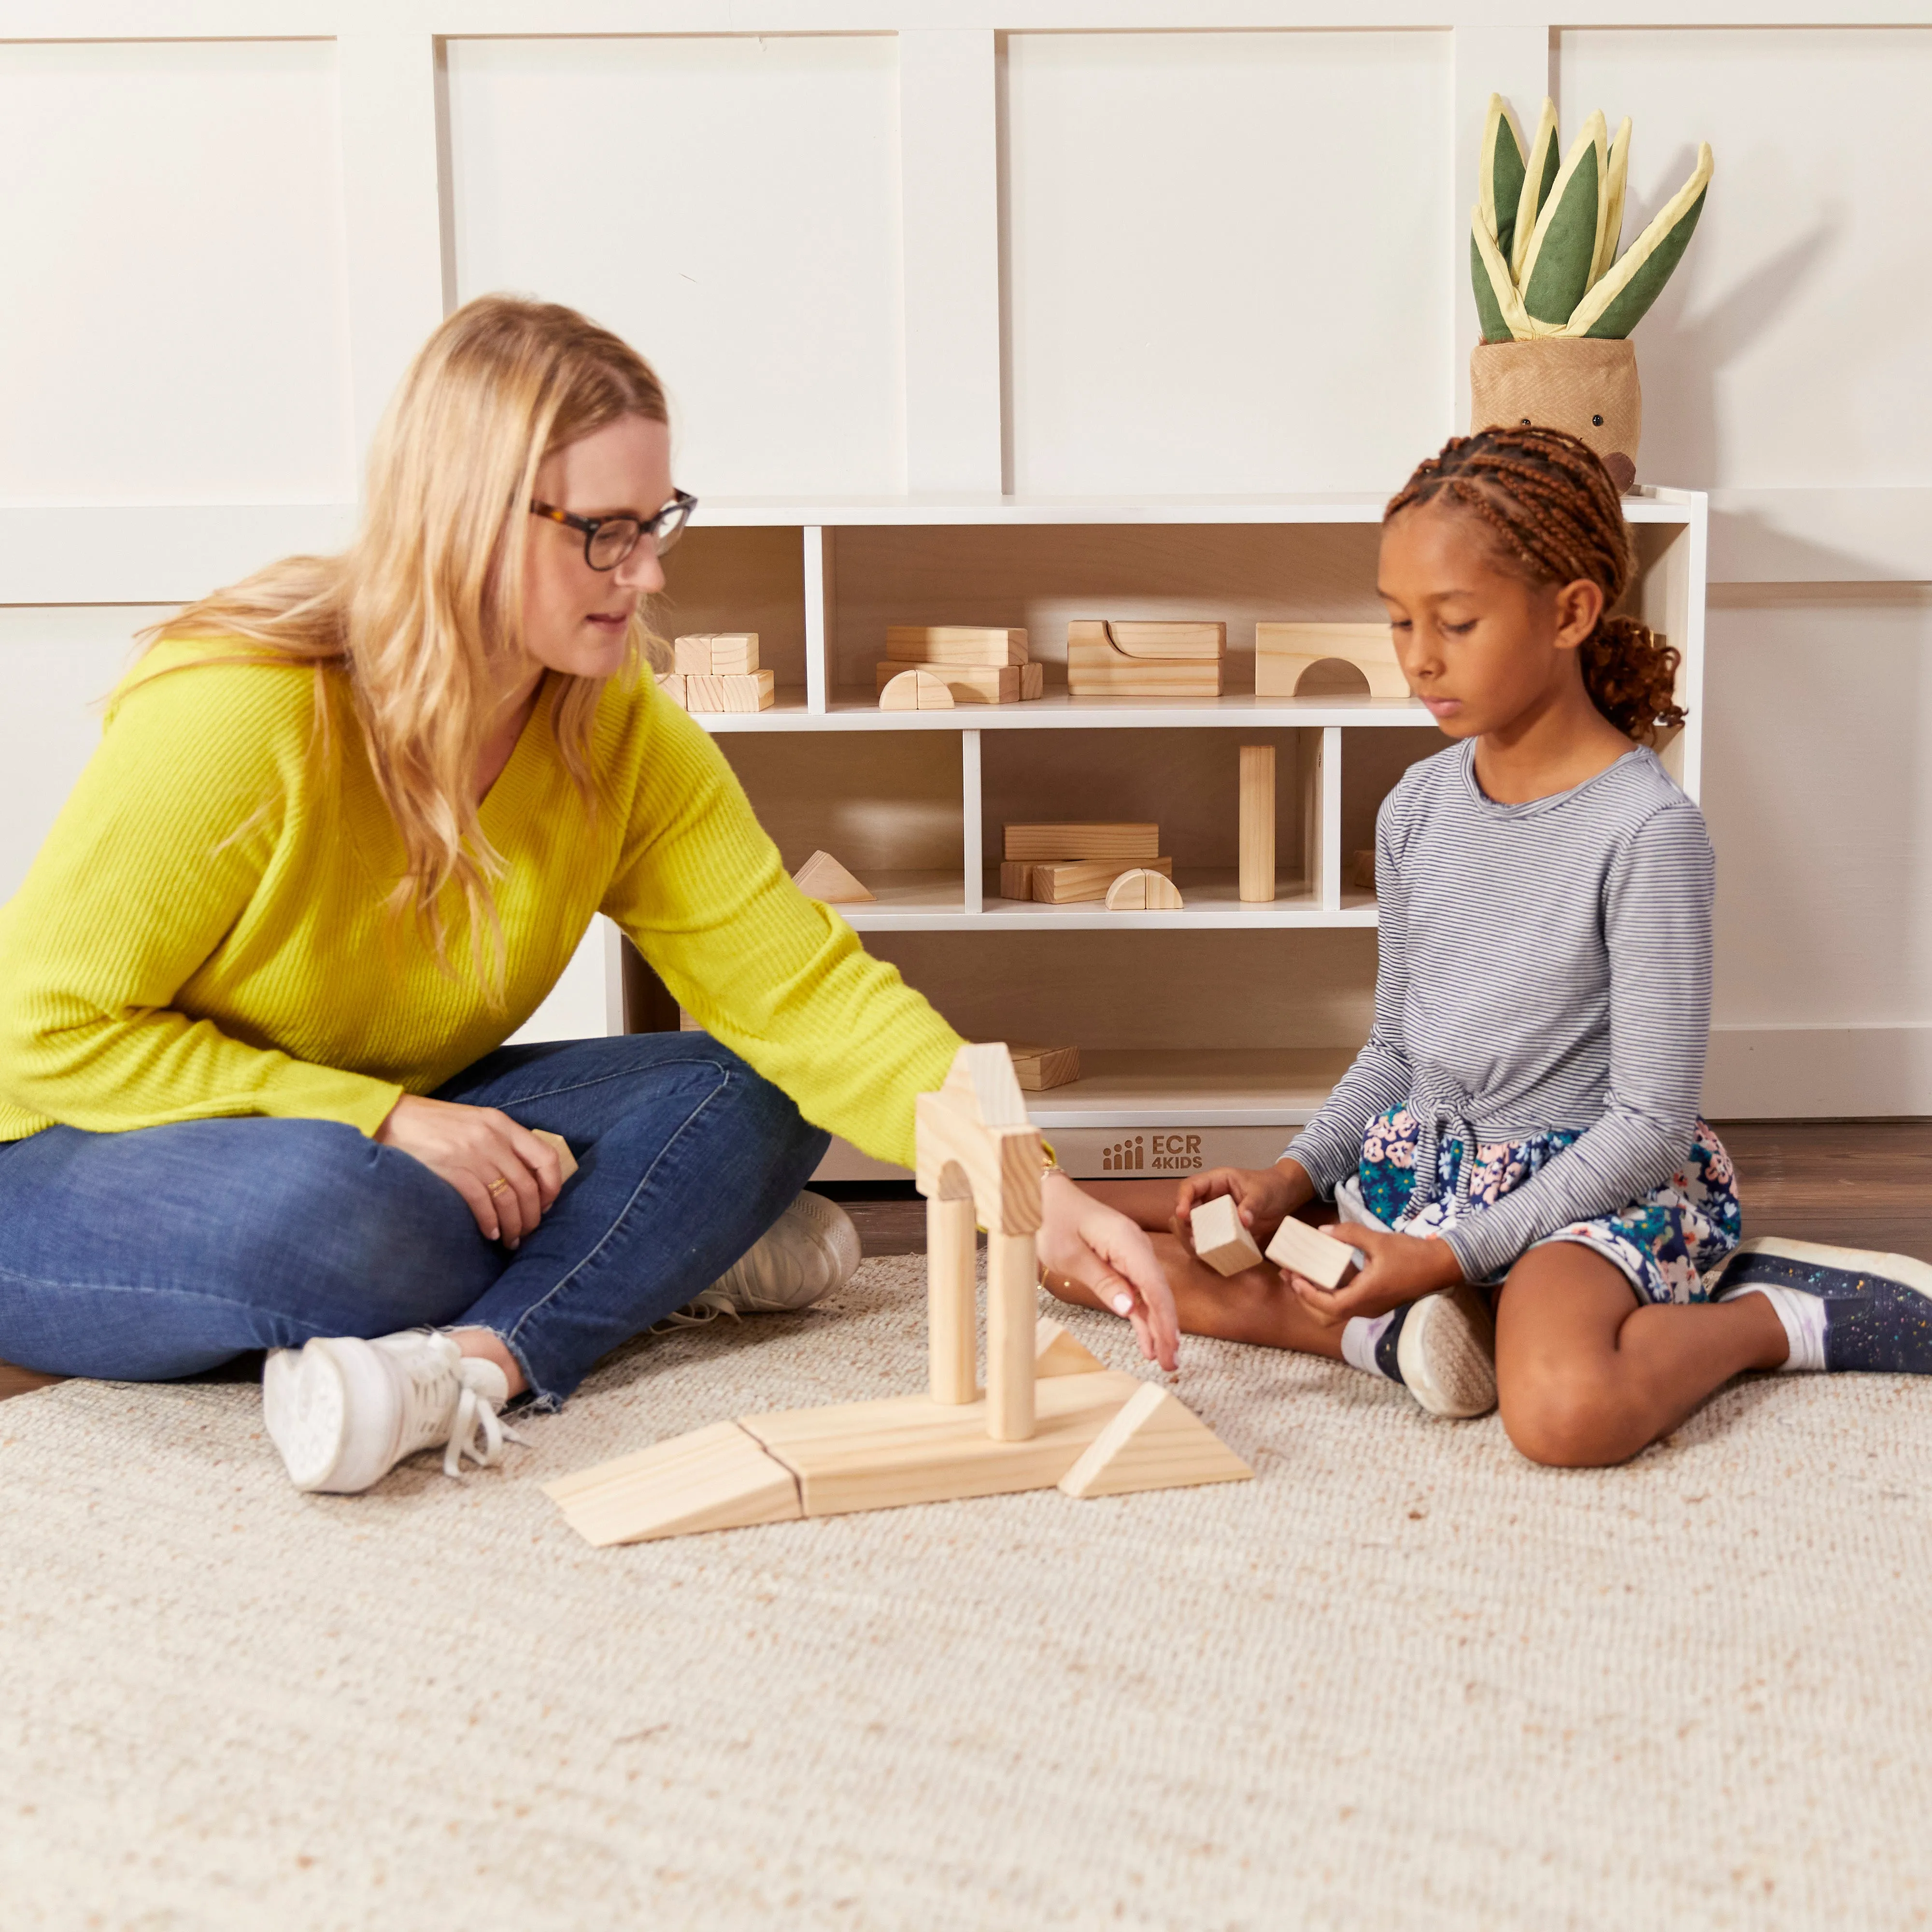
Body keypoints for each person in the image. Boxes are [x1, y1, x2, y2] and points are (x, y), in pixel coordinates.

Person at [0, 295, 1177, 1495]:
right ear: (468, 522)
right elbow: (41, 1033)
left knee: (762, 1086)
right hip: (68, 1148)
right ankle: (643, 1250)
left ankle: (482, 1359)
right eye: (605, 532)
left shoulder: (616, 730)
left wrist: (1036, 1195)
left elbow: (802, 993)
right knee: (335, 1214)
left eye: (657, 520)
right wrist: (384, 1118)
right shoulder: (244, 707)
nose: (649, 569)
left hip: (387, 1122)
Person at [1050, 425, 1932, 1468]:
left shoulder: (1646, 831)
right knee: (1077, 1254)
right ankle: (1418, 1327)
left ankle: (1767, 1314)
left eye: (1454, 622)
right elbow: (1393, 1051)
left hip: (1583, 1192)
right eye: (1396, 622)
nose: (1417, 656)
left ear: (1569, 612)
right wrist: (1289, 1177)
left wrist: (1441, 1253)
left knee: (1561, 1415)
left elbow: (1647, 1124)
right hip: (1428, 1176)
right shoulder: (1416, 806)